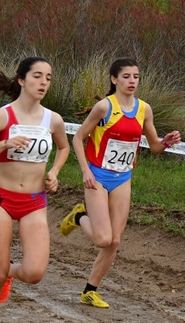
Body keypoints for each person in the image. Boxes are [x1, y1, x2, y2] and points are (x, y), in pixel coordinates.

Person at [60, 57, 181, 309]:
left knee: (115, 241)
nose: (132, 81)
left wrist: (167, 141)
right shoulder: (104, 107)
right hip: (97, 177)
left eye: (136, 76)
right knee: (103, 239)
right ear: (114, 79)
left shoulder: (144, 109)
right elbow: (78, 138)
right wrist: (85, 171)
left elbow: (155, 147)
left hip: (123, 178)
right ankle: (80, 215)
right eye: (126, 76)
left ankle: (89, 291)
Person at [0, 57, 69, 323]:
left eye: (48, 78)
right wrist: (4, 143)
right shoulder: (2, 116)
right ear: (22, 80)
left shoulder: (53, 119)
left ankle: (9, 272)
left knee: (35, 272)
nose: (44, 83)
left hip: (34, 201)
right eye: (37, 76)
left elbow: (63, 147)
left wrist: (55, 172)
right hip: (1, 198)